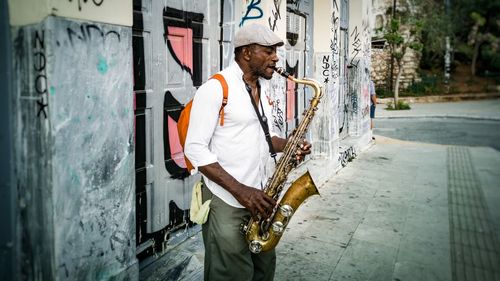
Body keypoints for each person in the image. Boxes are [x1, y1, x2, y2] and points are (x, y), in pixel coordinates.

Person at [184, 23, 312, 281]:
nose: (275, 57)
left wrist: (289, 145)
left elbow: (265, 137)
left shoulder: (263, 89)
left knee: (263, 269)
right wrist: (242, 192)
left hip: (262, 197)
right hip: (228, 200)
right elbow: (194, 149)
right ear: (246, 53)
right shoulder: (215, 88)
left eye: (275, 51)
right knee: (231, 274)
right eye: (268, 51)